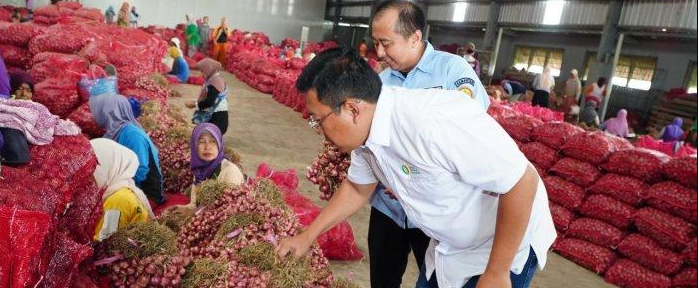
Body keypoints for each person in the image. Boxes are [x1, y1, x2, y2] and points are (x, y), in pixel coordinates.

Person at [276, 48, 556, 288]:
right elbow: (357, 187)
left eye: (318, 120)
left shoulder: (430, 123)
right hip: (450, 247)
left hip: (500, 247)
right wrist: (307, 236)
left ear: (352, 109)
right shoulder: (366, 137)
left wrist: (496, 272)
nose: (318, 130)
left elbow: (522, 181)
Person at [367, 2, 491, 287]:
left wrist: (412, 175)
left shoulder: (453, 72)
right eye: (376, 43)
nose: (380, 53)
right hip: (389, 211)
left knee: (436, 280)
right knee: (382, 280)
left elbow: (469, 136)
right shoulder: (382, 81)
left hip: (436, 215)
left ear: (415, 37)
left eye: (386, 43)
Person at [89, 93, 166, 205]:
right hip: (123, 184)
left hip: (146, 191)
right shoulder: (112, 132)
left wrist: (120, 190)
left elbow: (141, 169)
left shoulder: (132, 135)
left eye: (102, 111)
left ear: (109, 114)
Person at [91, 138, 154, 242]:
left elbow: (103, 242)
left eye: (93, 169)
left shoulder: (117, 201)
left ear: (107, 167)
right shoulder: (121, 189)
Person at [186, 123, 244, 208]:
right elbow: (194, 204)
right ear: (194, 146)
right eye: (201, 142)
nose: (207, 147)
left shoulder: (230, 172)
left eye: (213, 141)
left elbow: (230, 209)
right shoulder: (199, 170)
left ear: (219, 144)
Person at [186, 58, 229, 134]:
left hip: (217, 120)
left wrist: (195, 104)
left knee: (204, 136)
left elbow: (209, 102)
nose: (201, 73)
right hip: (217, 118)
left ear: (209, 69)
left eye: (203, 71)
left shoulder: (214, 83)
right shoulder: (215, 79)